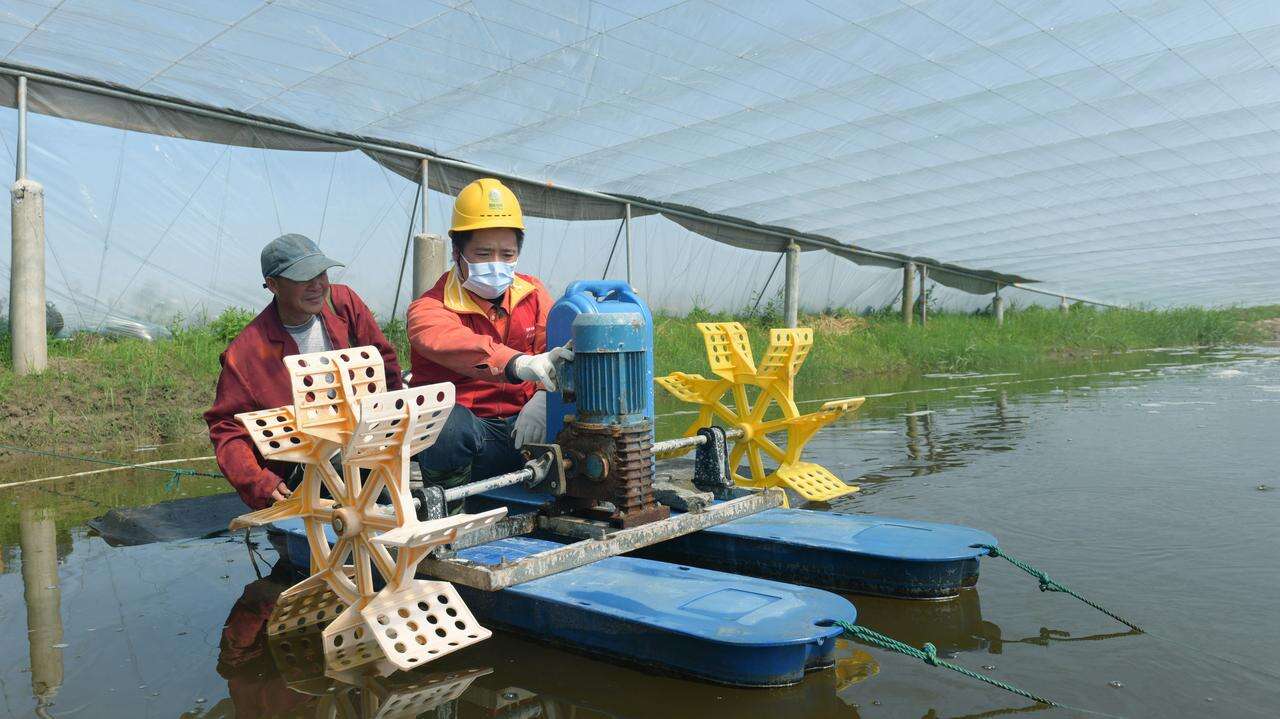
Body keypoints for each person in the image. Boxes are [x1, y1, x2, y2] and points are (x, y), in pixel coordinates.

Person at [205, 233, 402, 509]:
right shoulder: (247, 352)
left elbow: (384, 363)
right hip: (304, 461)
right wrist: (258, 482)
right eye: (303, 278)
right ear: (273, 285)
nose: (317, 285)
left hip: (364, 437)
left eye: (321, 273)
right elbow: (227, 427)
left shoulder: (343, 302)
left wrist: (393, 423)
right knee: (344, 463)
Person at [407, 178, 571, 496]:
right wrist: (519, 363)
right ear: (457, 252)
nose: (496, 263)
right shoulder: (428, 308)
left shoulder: (534, 293)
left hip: (526, 427)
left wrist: (542, 400)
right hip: (468, 439)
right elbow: (459, 344)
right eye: (483, 253)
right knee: (447, 424)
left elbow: (554, 346)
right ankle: (450, 506)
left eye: (507, 254)